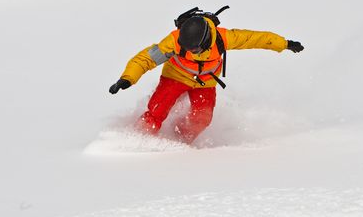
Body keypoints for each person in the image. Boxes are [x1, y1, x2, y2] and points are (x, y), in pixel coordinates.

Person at [109, 10, 304, 144]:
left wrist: (284, 44)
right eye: (187, 48)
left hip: (205, 83)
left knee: (202, 118)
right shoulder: (174, 42)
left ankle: (180, 141)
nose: (190, 51)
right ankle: (138, 138)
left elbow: (255, 38)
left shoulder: (223, 37)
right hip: (175, 77)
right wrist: (127, 78)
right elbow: (146, 59)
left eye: (194, 49)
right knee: (157, 110)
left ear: (205, 41)